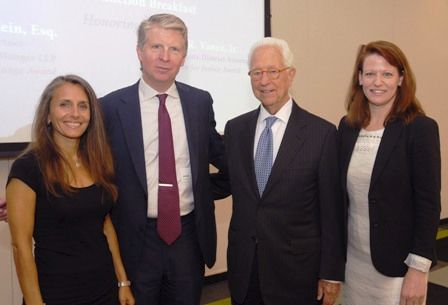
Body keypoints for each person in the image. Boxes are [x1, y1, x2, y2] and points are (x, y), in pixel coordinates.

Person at [100, 13, 225, 305]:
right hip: (135, 240)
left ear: (184, 57)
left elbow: (224, 158)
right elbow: (86, 168)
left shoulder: (199, 102)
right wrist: (31, 194)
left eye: (175, 49)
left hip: (188, 238)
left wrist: (204, 191)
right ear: (140, 51)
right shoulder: (109, 108)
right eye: (156, 47)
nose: (165, 57)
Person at [219, 37, 345, 305]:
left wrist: (331, 274)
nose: (265, 81)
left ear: (290, 74)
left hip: (298, 275)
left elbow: (332, 212)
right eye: (257, 72)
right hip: (246, 270)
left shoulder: (321, 134)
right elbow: (228, 183)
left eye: (273, 71)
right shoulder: (235, 130)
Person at [6, 75, 134, 305]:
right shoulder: (28, 167)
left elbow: (105, 224)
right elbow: (21, 247)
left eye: (82, 106)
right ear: (47, 114)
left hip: (104, 289)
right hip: (56, 293)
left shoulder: (98, 161)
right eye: (64, 104)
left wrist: (122, 282)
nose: (75, 113)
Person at [338, 40, 441, 305]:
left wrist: (419, 270)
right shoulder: (347, 127)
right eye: (370, 73)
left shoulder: (420, 129)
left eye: (387, 74)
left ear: (401, 79)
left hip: (398, 269)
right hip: (353, 263)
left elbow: (428, 204)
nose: (377, 82)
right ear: (359, 78)